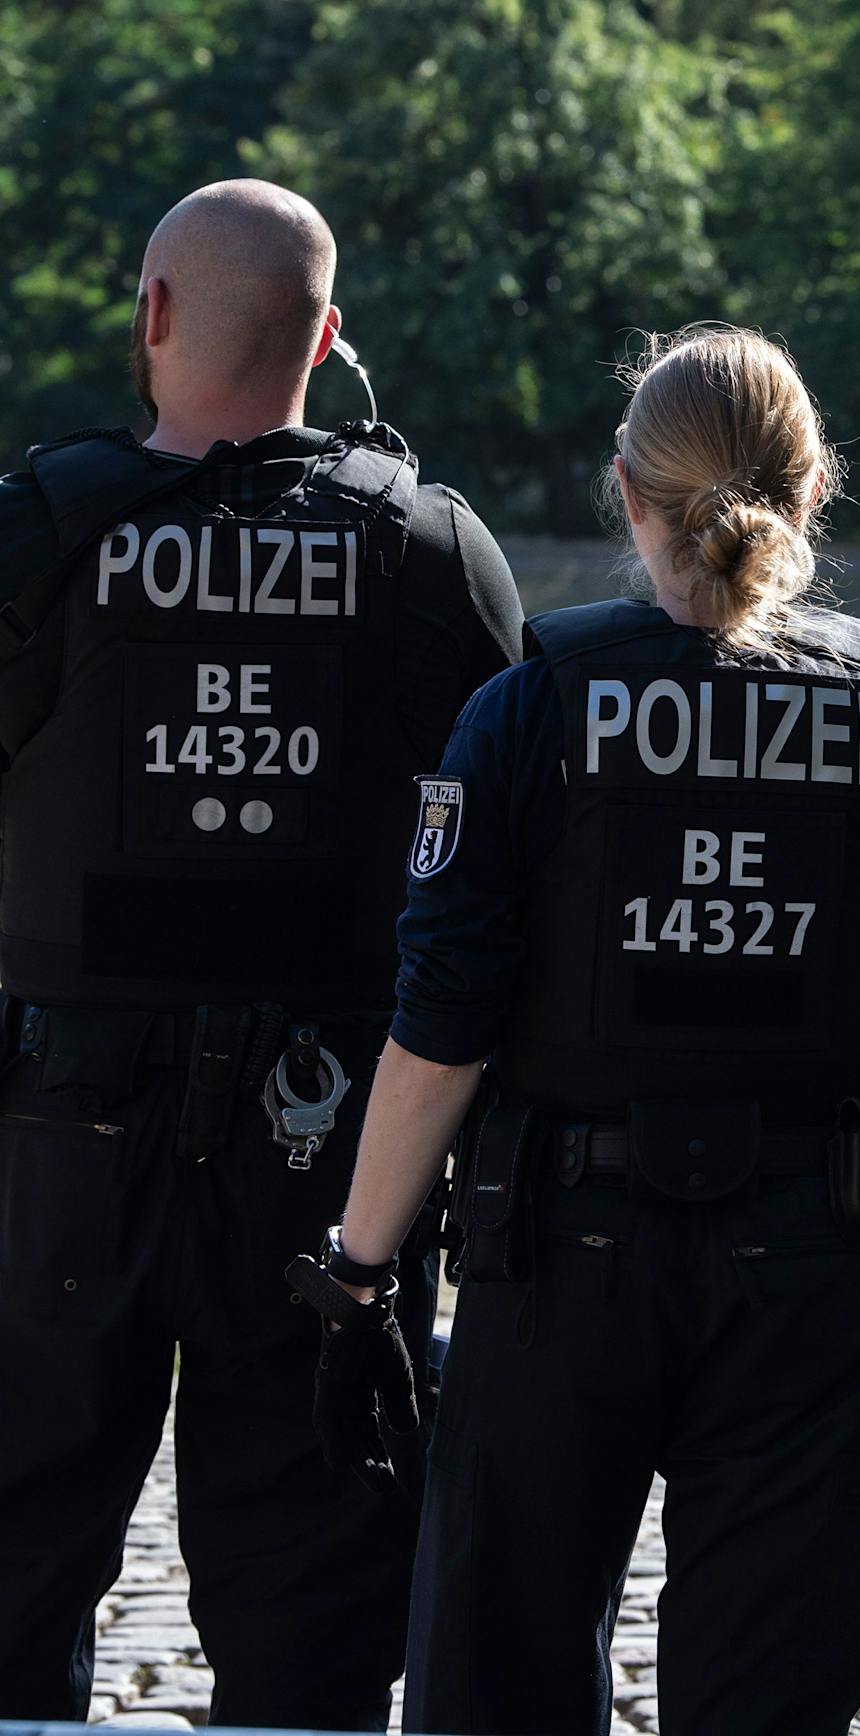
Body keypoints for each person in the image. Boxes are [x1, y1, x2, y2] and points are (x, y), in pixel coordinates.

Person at [289, 325, 860, 1736]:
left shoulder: (524, 717)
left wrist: (362, 1280)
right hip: (816, 1274)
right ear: (815, 495)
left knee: (498, 1686)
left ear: (623, 490)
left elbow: (438, 1036)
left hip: (559, 1260)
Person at [0, 178, 524, 1729]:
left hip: (49, 1152)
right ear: (329, 339)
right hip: (331, 1162)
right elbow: (509, 881)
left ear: (152, 315)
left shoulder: (29, 537)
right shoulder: (431, 551)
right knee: (316, 1589)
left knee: (12, 1560)